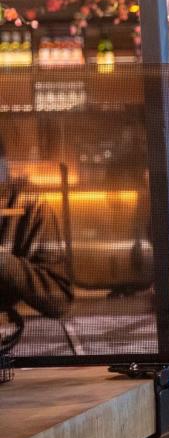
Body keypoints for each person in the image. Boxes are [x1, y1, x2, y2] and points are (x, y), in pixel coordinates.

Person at [0, 135, 74, 355]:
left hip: (16, 353)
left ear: (3, 166)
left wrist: (3, 262)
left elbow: (58, 301)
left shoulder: (27, 203)